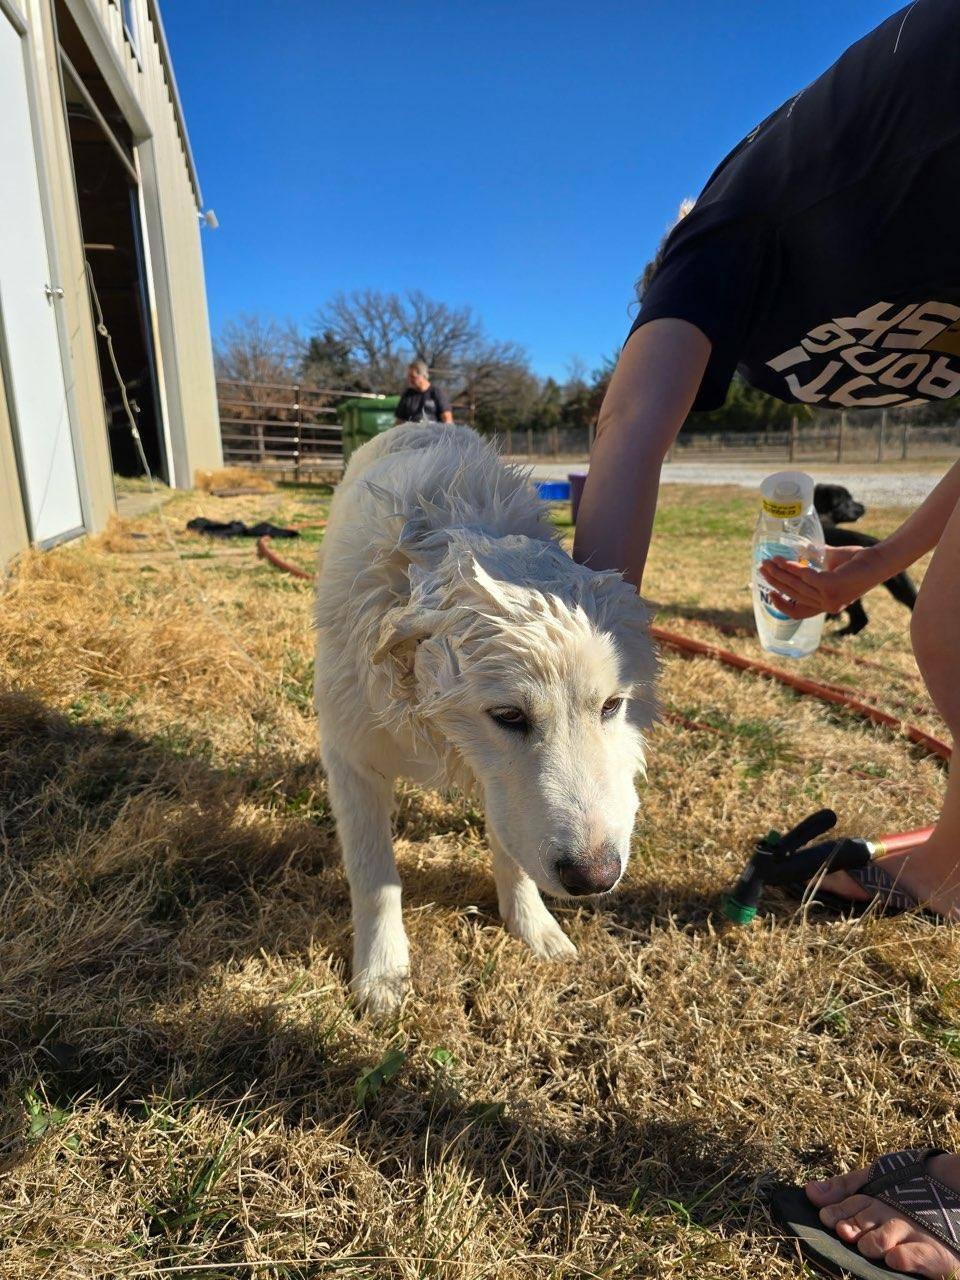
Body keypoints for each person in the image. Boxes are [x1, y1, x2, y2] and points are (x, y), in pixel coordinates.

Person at [569, 4, 960, 1273]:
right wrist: (892, 562)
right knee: (948, 624)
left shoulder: (714, 235)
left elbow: (627, 436)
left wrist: (586, 690)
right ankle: (953, 859)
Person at [395, 359, 454, 425]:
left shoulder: (437, 393)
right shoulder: (407, 395)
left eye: (413, 377)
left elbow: (447, 418)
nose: (410, 380)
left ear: (423, 375)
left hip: (433, 432)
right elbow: (399, 420)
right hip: (412, 433)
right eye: (409, 377)